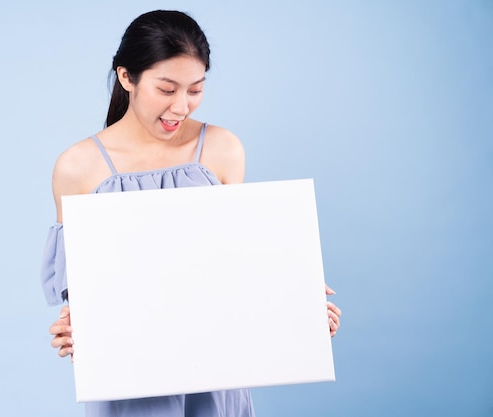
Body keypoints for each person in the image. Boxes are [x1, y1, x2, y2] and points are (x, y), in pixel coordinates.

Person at [41, 10, 342, 417]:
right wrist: (74, 328)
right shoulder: (78, 166)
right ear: (126, 77)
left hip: (217, 378)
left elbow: (238, 268)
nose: (180, 106)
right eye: (166, 89)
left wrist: (296, 305)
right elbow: (84, 295)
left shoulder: (222, 148)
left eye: (195, 90)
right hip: (131, 380)